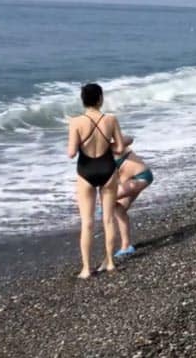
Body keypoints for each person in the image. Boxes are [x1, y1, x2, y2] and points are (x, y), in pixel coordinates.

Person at [67, 83, 125, 279]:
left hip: (86, 171)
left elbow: (71, 153)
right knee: (108, 219)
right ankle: (109, 262)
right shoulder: (111, 119)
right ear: (100, 98)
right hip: (108, 169)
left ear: (83, 100)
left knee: (87, 222)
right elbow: (118, 148)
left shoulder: (76, 122)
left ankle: (85, 268)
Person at [111, 135, 154, 258]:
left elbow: (130, 139)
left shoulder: (114, 145)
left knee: (110, 201)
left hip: (141, 177)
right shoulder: (97, 152)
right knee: (119, 209)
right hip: (129, 181)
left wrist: (116, 142)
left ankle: (126, 246)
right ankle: (126, 246)